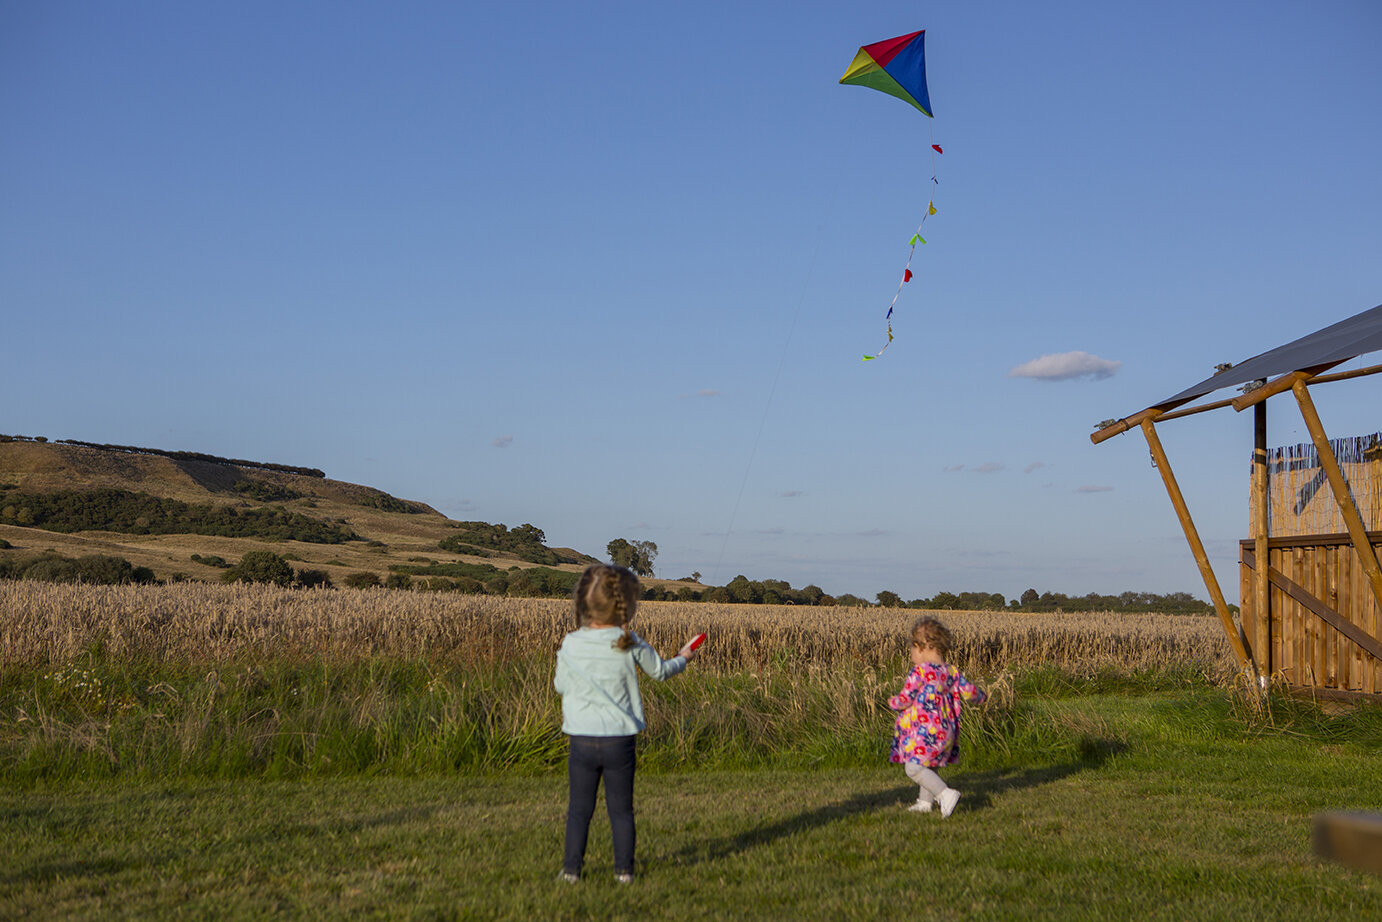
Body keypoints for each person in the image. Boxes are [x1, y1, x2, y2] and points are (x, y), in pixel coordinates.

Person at [553, 563, 700, 883]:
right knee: (620, 810)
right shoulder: (630, 641)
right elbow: (661, 672)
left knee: (579, 809)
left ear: (582, 602)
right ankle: (624, 873)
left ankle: (571, 871)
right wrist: (684, 657)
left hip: (580, 737)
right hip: (619, 740)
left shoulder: (570, 643)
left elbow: (560, 687)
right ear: (626, 607)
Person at [888, 616, 987, 818]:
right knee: (929, 765)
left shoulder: (920, 672)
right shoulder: (952, 672)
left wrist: (893, 702)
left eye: (913, 649)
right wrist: (982, 697)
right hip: (946, 731)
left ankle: (945, 793)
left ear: (924, 647)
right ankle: (925, 802)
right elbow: (970, 692)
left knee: (914, 768)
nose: (912, 655)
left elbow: (906, 698)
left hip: (925, 731)